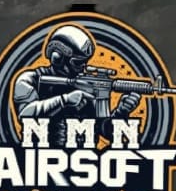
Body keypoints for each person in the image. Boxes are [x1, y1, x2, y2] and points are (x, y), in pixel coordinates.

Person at [12, 24, 141, 147]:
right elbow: (25, 115)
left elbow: (105, 131)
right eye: (78, 63)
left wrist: (121, 112)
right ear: (58, 58)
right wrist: (65, 100)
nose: (83, 67)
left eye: (85, 63)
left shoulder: (84, 85)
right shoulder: (31, 79)